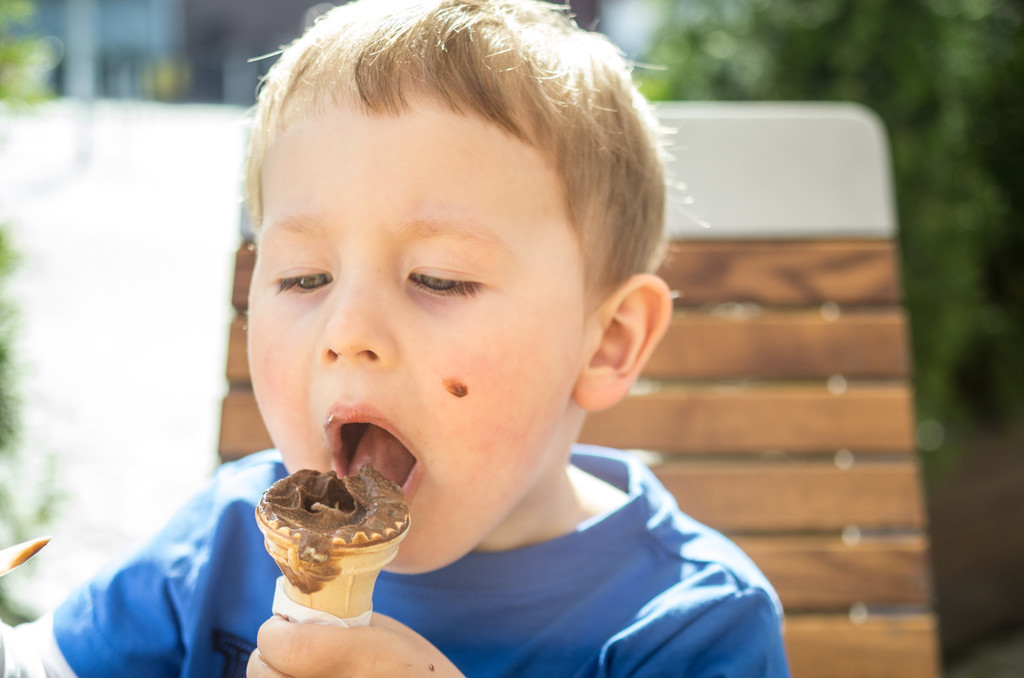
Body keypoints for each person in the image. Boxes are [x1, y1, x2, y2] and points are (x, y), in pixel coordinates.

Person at [0, 0, 790, 675]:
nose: (347, 333)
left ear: (608, 341)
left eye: (439, 279)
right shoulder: (219, 547)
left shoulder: (690, 626)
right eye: (304, 278)